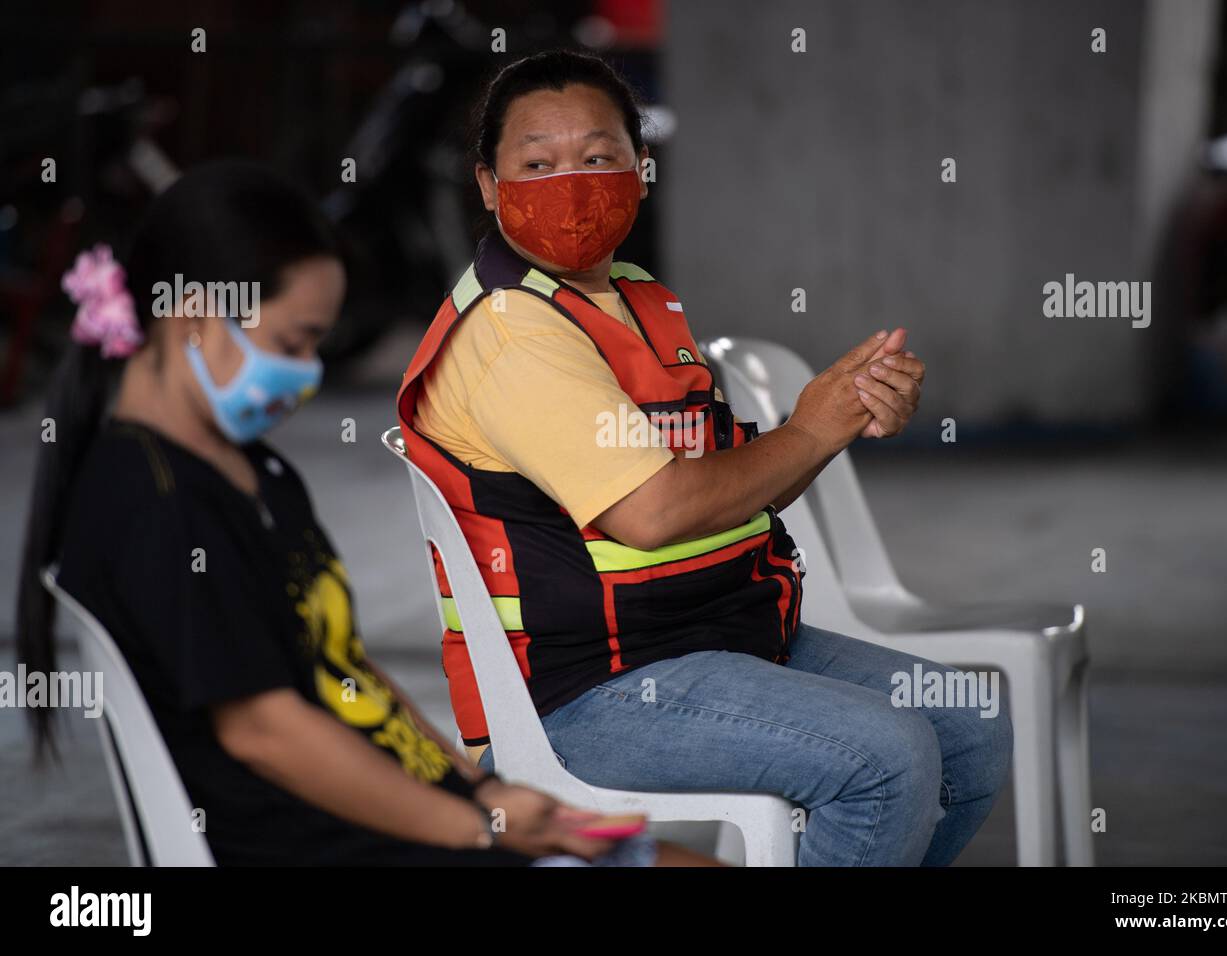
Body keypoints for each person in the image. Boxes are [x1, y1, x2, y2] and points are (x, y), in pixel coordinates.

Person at [398, 50, 1014, 866]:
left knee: (968, 725)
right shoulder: (514, 332)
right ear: (487, 185)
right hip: (586, 689)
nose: (571, 184)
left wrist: (833, 414)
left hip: (714, 635)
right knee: (886, 756)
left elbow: (726, 491)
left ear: (641, 169)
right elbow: (652, 513)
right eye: (536, 164)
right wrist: (809, 432)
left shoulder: (635, 298)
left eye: (599, 156)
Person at [15, 159, 715, 867]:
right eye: (292, 343)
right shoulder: (153, 499)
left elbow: (344, 670)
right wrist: (474, 827)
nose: (309, 372)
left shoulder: (252, 470)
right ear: (194, 316)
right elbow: (265, 731)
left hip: (409, 822)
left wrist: (481, 790)